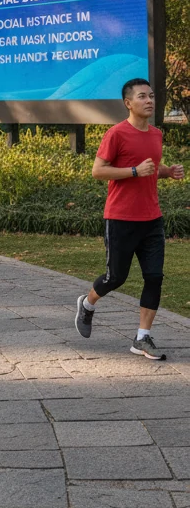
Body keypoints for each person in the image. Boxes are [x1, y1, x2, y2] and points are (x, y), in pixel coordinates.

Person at [75, 79, 183, 359]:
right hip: (121, 218)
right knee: (115, 277)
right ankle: (87, 304)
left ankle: (142, 338)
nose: (149, 100)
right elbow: (99, 171)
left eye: (151, 95)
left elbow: (150, 167)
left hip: (152, 219)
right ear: (128, 103)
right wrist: (134, 171)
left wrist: (166, 171)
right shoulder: (116, 134)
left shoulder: (156, 134)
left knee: (155, 277)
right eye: (142, 97)